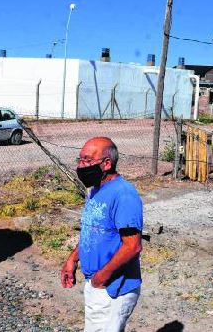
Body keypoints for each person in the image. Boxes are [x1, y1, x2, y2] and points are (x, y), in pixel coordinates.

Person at [61, 137, 143, 332]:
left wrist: (101, 278)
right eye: (79, 160)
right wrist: (73, 259)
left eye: (87, 161)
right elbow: (93, 231)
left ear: (107, 163)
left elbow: (133, 246)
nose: (81, 166)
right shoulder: (96, 190)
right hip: (98, 283)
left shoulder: (124, 195)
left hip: (113, 288)